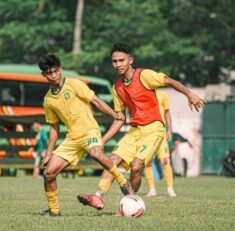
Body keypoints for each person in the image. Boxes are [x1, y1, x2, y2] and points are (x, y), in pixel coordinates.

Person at [77, 42, 205, 210]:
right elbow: (120, 118)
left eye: (121, 60)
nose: (118, 64)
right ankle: (98, 196)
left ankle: (131, 204)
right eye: (114, 61)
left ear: (130, 60)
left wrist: (189, 94)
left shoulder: (144, 75)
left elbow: (170, 81)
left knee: (137, 166)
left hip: (154, 129)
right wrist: (102, 140)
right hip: (134, 131)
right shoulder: (117, 87)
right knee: (112, 160)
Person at [38, 54, 133, 216]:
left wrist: (114, 114)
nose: (53, 75)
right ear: (44, 75)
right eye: (49, 73)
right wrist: (48, 152)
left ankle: (123, 181)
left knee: (96, 153)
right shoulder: (48, 100)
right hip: (72, 139)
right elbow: (54, 128)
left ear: (60, 69)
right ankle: (54, 211)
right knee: (48, 173)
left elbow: (95, 101)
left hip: (89, 130)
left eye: (55, 71)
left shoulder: (74, 84)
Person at [144, 90, 176, 197]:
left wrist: (169, 130)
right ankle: (152, 189)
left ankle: (170, 189)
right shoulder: (142, 94)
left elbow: (167, 112)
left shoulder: (163, 94)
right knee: (147, 162)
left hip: (161, 133)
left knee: (166, 161)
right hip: (147, 134)